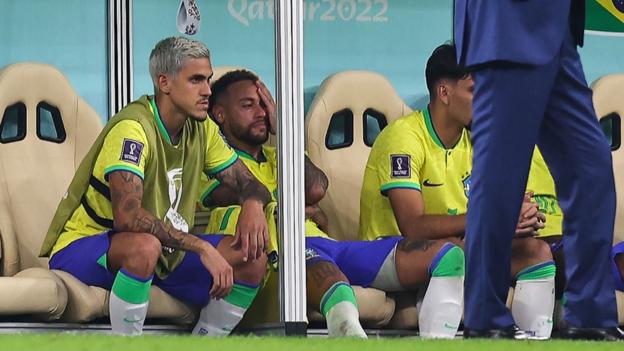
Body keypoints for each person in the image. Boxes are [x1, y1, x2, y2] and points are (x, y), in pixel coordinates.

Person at [200, 69, 465, 338]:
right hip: (282, 257)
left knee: (447, 255)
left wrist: (283, 133)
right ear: (220, 114)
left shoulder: (280, 154)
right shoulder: (215, 165)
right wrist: (291, 209)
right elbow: (241, 192)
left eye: (263, 104)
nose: (261, 112)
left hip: (327, 245)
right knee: (336, 287)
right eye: (248, 105)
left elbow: (315, 187)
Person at [39, 36, 272, 336]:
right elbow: (129, 219)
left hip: (162, 252)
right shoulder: (133, 129)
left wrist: (252, 205)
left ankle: (205, 342)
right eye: (196, 80)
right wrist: (201, 247)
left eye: (209, 79)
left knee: (252, 257)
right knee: (144, 247)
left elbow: (249, 183)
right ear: (164, 82)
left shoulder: (203, 129)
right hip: (87, 247)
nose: (207, 91)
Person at [359, 44, 556, 339]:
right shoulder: (404, 137)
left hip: (458, 247)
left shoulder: (478, 142)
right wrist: (490, 219)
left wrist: (518, 217)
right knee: (454, 251)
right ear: (444, 93)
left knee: (536, 252)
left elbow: (493, 210)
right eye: (475, 90)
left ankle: (534, 341)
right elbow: (413, 225)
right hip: (395, 252)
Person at [454, 0, 623, 340]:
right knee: (501, 178)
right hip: (510, 26)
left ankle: (589, 313)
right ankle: (484, 314)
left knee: (591, 168)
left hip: (557, 32)